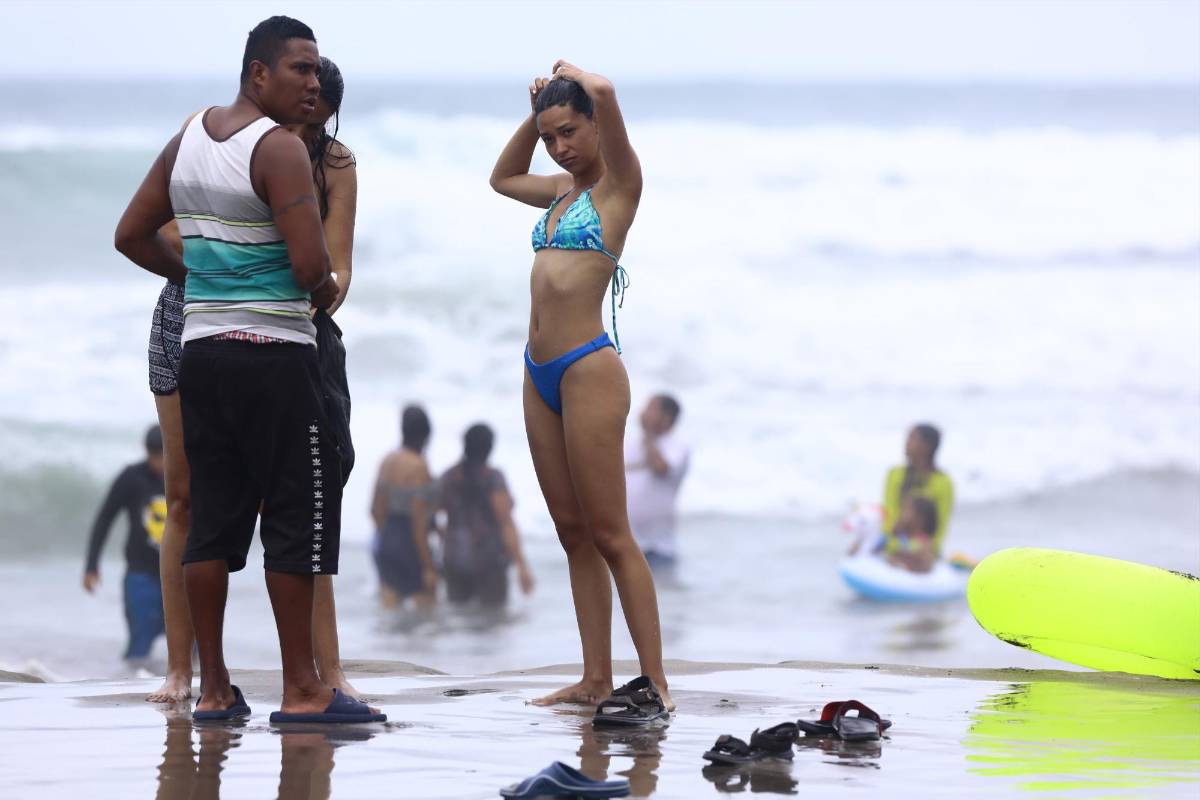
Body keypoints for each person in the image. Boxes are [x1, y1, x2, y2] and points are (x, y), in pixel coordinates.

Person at [114, 16, 381, 723]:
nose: (312, 82)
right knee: (294, 515)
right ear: (257, 72)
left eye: (318, 72)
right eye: (299, 68)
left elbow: (130, 234)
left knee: (210, 522)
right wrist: (314, 287)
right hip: (272, 354)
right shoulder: (280, 150)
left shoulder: (192, 134)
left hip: (203, 352)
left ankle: (212, 689)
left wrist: (202, 279)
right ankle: (303, 692)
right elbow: (312, 265)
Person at [490, 61, 673, 710]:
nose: (560, 147)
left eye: (570, 132)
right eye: (550, 139)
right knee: (571, 531)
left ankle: (653, 683)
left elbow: (607, 92)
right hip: (537, 372)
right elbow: (500, 177)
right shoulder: (559, 194)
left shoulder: (619, 188)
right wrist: (534, 112)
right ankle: (596, 678)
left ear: (595, 128)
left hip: (589, 368)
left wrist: (573, 75)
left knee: (610, 532)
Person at [83, 425, 167, 663]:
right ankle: (134, 687)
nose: (160, 464)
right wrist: (91, 565)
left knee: (191, 646)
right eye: (155, 457)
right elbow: (104, 518)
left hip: (180, 574)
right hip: (141, 574)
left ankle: (191, 688)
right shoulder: (132, 477)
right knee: (139, 644)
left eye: (165, 456)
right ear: (146, 452)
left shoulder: (187, 475)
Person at [436, 424, 534, 607]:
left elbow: (431, 513)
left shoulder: (449, 477)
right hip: (489, 561)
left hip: (455, 559)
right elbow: (505, 522)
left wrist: (442, 534)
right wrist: (522, 566)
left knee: (459, 620)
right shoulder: (493, 478)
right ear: (489, 448)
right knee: (493, 622)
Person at [370, 405, 438, 608]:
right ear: (426, 434)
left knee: (390, 611)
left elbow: (375, 509)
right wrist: (428, 566)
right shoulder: (419, 467)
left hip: (387, 542)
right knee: (427, 613)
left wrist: (388, 537)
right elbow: (419, 523)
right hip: (411, 545)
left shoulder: (387, 461)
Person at [625, 394, 690, 573]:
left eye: (651, 409)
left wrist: (648, 436)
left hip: (658, 548)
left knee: (662, 598)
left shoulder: (677, 445)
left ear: (666, 418)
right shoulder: (629, 443)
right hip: (626, 544)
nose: (643, 413)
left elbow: (660, 467)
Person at [881, 423, 954, 557]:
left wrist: (925, 551)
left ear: (927, 446)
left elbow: (940, 528)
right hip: (893, 547)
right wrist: (894, 546)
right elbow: (888, 517)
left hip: (925, 552)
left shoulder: (943, 483)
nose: (906, 442)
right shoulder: (895, 474)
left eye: (912, 438)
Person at [886, 495, 938, 573]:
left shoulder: (925, 542)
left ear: (920, 519)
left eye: (907, 509)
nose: (902, 512)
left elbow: (926, 565)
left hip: (911, 578)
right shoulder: (901, 533)